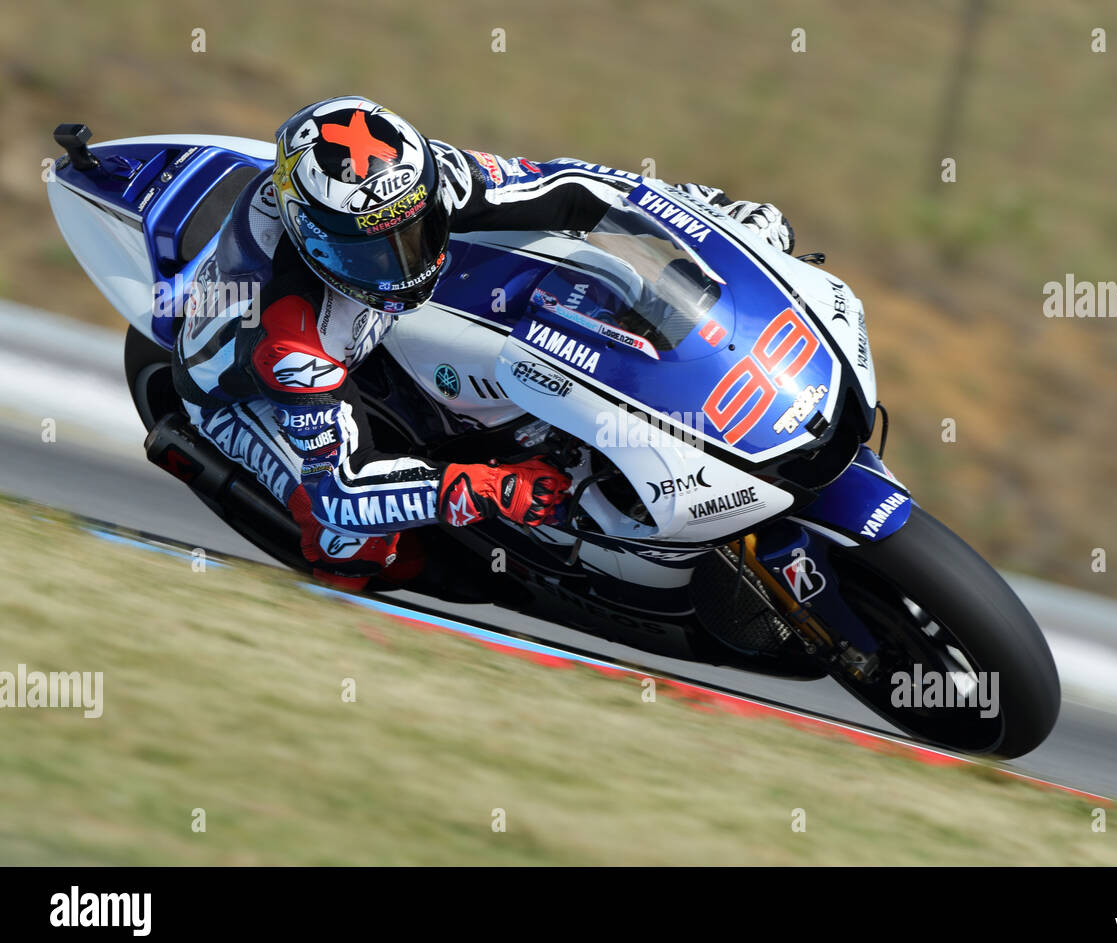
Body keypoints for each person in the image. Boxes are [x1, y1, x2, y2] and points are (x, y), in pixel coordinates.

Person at [170, 96, 796, 588]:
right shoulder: (291, 338)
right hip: (241, 389)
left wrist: (709, 213)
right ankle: (352, 606)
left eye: (412, 234)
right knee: (349, 540)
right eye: (370, 250)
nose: (399, 262)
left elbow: (574, 187)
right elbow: (343, 490)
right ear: (311, 235)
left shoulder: (425, 178)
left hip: (364, 318)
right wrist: (491, 487)